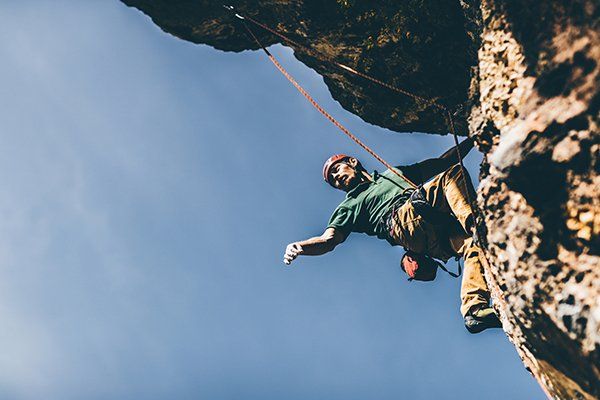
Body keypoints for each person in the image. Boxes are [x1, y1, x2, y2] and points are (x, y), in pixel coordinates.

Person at [282, 137, 502, 333]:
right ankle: (476, 224)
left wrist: (474, 138)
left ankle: (474, 310)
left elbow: (443, 161)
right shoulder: (350, 205)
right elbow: (328, 240)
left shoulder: (394, 174)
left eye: (336, 171)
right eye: (333, 181)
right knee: (452, 176)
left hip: (432, 239)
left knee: (475, 247)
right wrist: (301, 246)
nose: (336, 179)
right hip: (402, 221)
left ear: (352, 162)